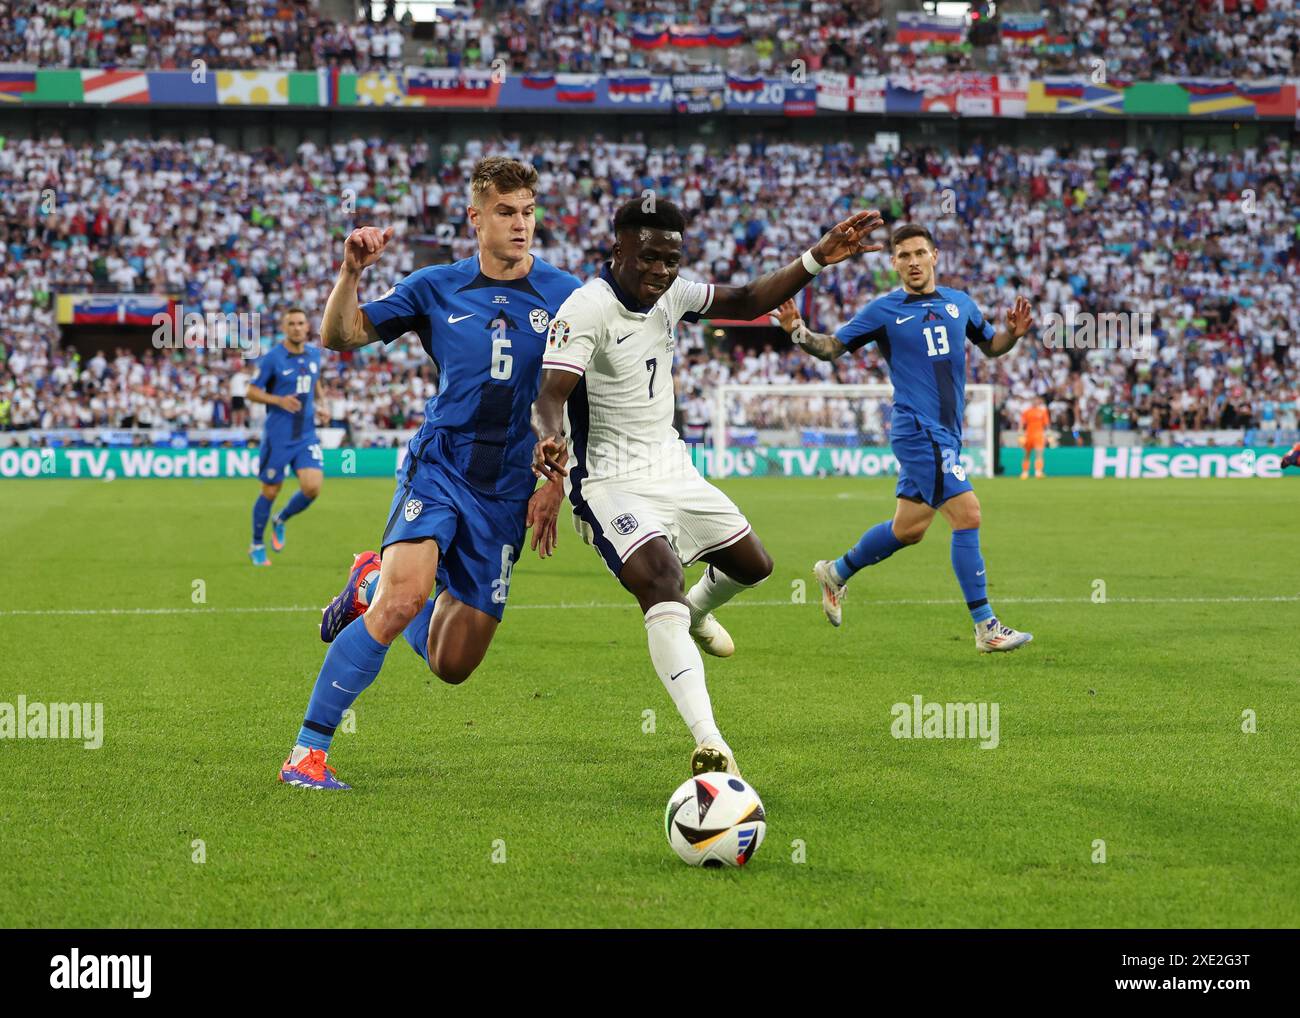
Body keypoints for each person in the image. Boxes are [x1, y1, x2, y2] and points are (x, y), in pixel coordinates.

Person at [530, 198, 884, 776]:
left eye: (672, 259)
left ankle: (697, 613)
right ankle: (710, 740)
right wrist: (549, 442)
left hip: (672, 466)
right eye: (648, 257)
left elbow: (745, 301)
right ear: (618, 249)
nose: (661, 271)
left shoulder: (672, 294)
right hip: (610, 481)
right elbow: (550, 396)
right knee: (661, 581)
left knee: (755, 565)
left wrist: (818, 258)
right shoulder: (586, 308)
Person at [279, 156, 579, 790]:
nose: (521, 224)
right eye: (506, 212)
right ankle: (308, 753)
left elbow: (579, 396)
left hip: (509, 486)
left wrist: (558, 483)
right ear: (476, 217)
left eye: (528, 211)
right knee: (405, 599)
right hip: (441, 465)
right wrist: (350, 273)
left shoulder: (570, 295)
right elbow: (342, 336)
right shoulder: (435, 286)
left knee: (453, 662)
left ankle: (366, 580)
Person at [775, 223, 1035, 653]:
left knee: (909, 528)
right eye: (904, 256)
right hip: (917, 429)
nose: (913, 262)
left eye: (919, 253)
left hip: (946, 434)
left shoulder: (960, 302)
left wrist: (1013, 335)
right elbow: (832, 348)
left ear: (935, 256)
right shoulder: (883, 311)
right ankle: (986, 625)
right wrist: (797, 331)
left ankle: (836, 572)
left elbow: (992, 346)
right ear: (893, 263)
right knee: (967, 515)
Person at [245, 308, 325, 565]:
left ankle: (281, 519)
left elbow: (315, 382)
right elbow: (251, 391)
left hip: (306, 435)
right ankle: (256, 544)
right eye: (291, 323)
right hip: (278, 436)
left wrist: (323, 404)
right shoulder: (272, 359)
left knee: (312, 487)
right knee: (270, 490)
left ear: (307, 327)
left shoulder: (314, 354)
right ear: (284, 327)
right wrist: (278, 399)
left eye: (301, 323)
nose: (297, 327)